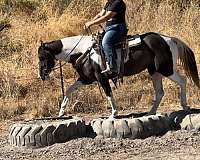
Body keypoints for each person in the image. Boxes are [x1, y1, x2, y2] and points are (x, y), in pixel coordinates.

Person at [85, 0, 127, 74]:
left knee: (106, 42)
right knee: (98, 41)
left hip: (117, 27)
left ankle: (112, 66)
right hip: (110, 28)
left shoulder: (118, 3)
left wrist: (91, 23)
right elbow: (100, 14)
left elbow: (106, 17)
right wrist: (90, 22)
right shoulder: (109, 3)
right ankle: (103, 63)